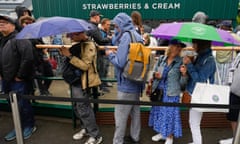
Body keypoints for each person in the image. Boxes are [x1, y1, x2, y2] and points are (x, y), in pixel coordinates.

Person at [105, 12, 143, 144]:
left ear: (121, 24)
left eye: (116, 26)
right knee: (135, 113)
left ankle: (118, 141)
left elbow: (120, 63)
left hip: (126, 84)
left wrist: (109, 54)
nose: (115, 28)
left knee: (120, 117)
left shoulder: (126, 37)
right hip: (137, 81)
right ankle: (135, 137)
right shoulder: (138, 35)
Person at [60, 31, 102, 144]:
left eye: (72, 35)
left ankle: (95, 135)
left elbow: (85, 66)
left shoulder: (89, 45)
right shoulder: (81, 44)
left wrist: (68, 55)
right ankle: (86, 128)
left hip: (82, 83)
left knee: (83, 108)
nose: (70, 37)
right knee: (77, 107)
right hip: (76, 81)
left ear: (79, 34)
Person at [0, 15, 36, 141]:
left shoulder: (20, 38)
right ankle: (18, 126)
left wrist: (20, 76)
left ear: (14, 25)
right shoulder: (2, 39)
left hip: (18, 80)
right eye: (0, 22)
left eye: (5, 22)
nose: (1, 24)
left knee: (22, 105)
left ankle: (29, 126)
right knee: (13, 105)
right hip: (6, 79)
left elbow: (28, 58)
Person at [148, 39, 188, 144]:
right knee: (159, 113)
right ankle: (162, 133)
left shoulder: (180, 62)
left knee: (169, 115)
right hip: (159, 90)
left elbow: (183, 84)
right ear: (170, 46)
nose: (178, 48)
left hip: (171, 92)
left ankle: (169, 137)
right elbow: (153, 71)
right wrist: (155, 74)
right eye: (176, 46)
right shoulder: (162, 59)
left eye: (180, 47)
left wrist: (184, 74)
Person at [181, 39, 216, 144]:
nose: (193, 45)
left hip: (200, 94)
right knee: (193, 122)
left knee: (194, 122)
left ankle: (197, 142)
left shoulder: (209, 60)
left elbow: (199, 79)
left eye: (194, 43)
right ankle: (196, 141)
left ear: (201, 44)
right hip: (195, 93)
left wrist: (190, 65)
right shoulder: (200, 56)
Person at [215, 20, 236, 85]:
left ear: (223, 27)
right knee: (226, 80)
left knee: (218, 79)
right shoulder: (234, 36)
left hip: (218, 60)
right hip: (228, 61)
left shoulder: (217, 36)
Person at [98, 18, 112, 92]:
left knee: (106, 69)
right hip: (102, 53)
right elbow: (101, 41)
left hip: (107, 53)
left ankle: (105, 82)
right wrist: (109, 38)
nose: (109, 26)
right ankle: (101, 86)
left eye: (109, 24)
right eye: (107, 24)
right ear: (103, 24)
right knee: (102, 70)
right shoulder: (100, 32)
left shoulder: (106, 32)